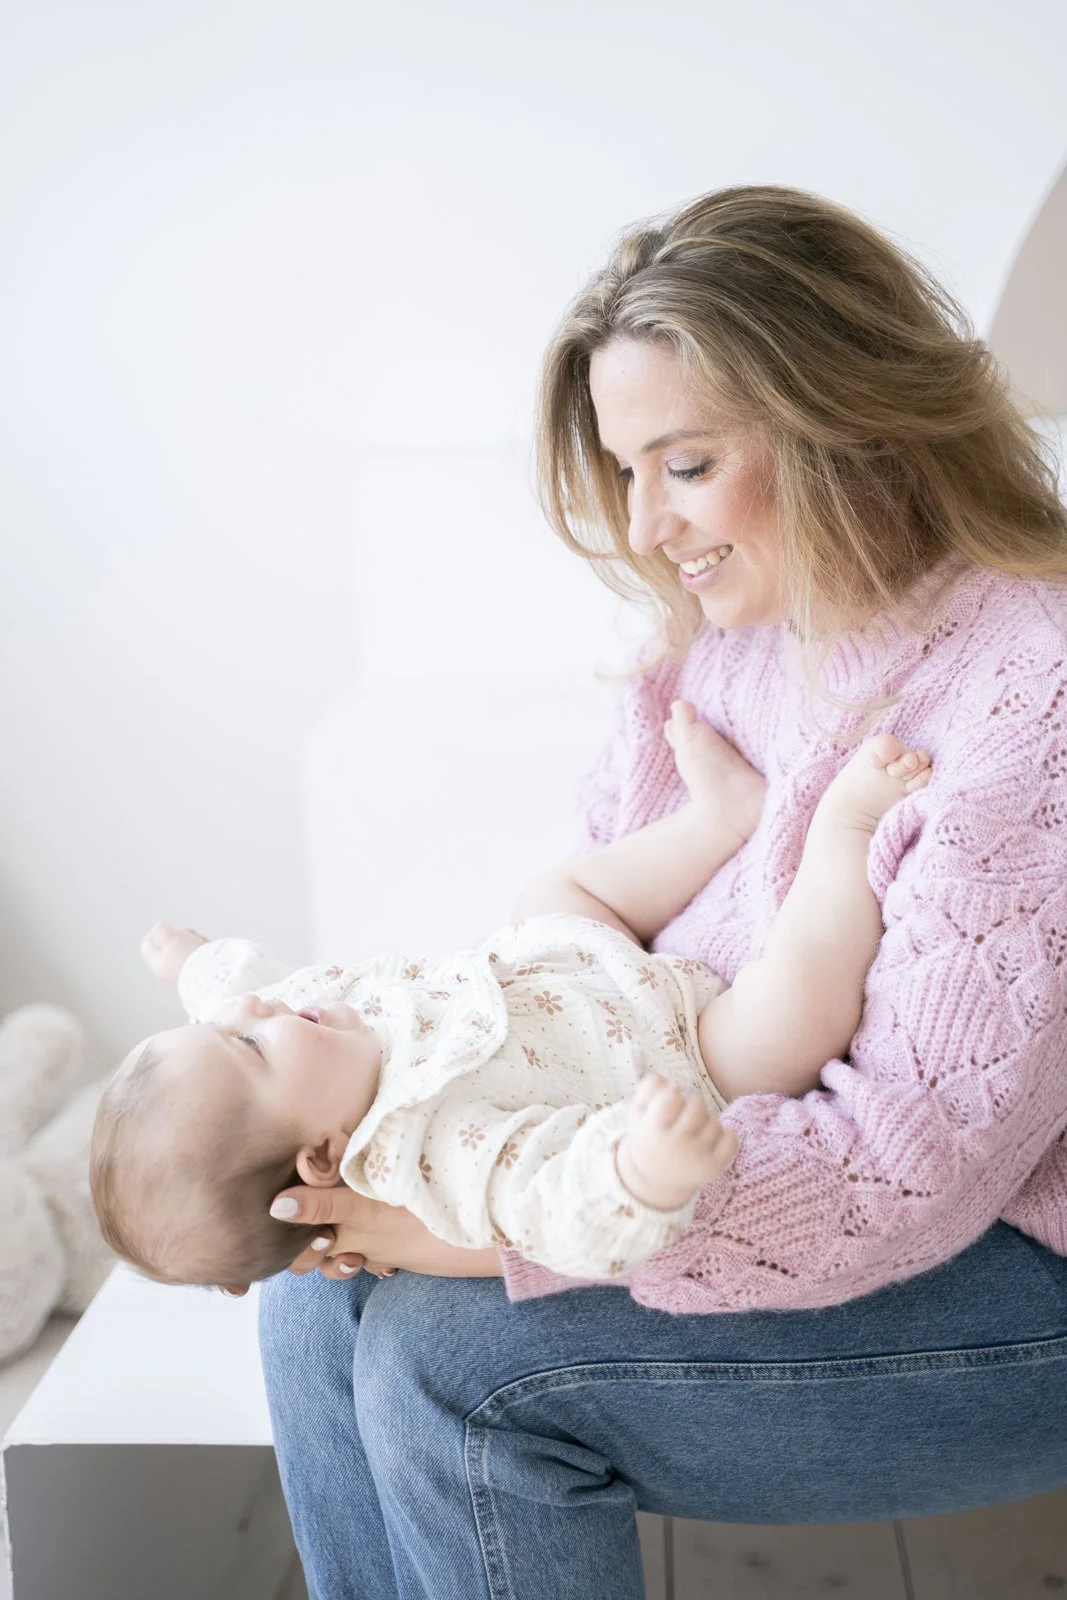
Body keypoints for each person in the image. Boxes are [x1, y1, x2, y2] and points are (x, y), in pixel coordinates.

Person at [251, 185, 1067, 1599]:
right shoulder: (718, 645)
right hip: (745, 1178)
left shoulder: (1028, 687)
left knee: (460, 1366)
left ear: (844, 420)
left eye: (681, 465)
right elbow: (587, 964)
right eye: (628, 472)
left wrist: (509, 1225)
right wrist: (420, 1128)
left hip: (1004, 1261)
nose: (643, 527)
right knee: (312, 1298)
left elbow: (903, 1171)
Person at [91, 699, 931, 1287]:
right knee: (788, 1020)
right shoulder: (433, 1152)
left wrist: (196, 966)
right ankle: (844, 835)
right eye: (243, 1044)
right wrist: (640, 1172)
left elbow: (242, 995)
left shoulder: (307, 1033)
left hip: (559, 965)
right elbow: (551, 1211)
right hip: (687, 1051)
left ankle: (720, 818)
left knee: (550, 897)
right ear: (321, 1157)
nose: (248, 1012)